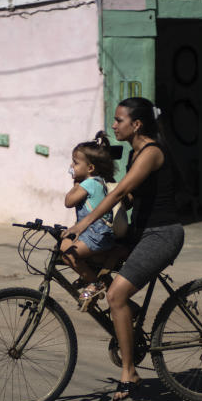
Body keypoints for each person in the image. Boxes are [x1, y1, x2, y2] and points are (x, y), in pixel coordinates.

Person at [64, 97, 184, 401]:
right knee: (79, 256)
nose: (114, 125)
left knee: (116, 293)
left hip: (161, 235)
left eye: (119, 120)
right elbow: (128, 197)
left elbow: (120, 192)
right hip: (138, 235)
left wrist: (85, 223)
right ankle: (127, 310)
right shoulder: (134, 154)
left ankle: (129, 372)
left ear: (137, 124)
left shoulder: (151, 152)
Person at [61, 132, 118, 311]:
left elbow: (68, 202)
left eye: (76, 163)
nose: (72, 166)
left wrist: (75, 182)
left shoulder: (89, 184)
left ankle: (94, 283)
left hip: (96, 235)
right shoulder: (98, 181)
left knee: (66, 252)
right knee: (65, 244)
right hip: (98, 234)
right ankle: (93, 281)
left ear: (90, 168)